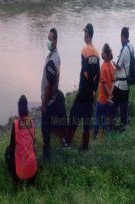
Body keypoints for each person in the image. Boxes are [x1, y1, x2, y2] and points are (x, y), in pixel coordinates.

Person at [67, 23, 100, 151]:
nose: (83, 35)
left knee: (74, 115)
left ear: (87, 34)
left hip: (83, 92)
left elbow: (86, 73)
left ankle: (68, 141)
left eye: (84, 33)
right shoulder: (97, 53)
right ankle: (85, 147)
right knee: (87, 120)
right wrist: (94, 90)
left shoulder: (84, 50)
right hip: (90, 93)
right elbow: (98, 74)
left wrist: (89, 87)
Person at [41, 28, 68, 161]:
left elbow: (48, 86)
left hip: (49, 101)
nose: (48, 41)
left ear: (56, 40)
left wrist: (44, 104)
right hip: (53, 98)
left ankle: (46, 156)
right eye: (48, 38)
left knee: (45, 129)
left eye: (50, 39)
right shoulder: (54, 55)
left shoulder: (53, 60)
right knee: (52, 126)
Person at [5, 95, 37, 182]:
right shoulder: (31, 122)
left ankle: (12, 173)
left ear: (19, 108)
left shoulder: (15, 124)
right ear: (26, 107)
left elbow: (12, 145)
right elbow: (33, 141)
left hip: (20, 174)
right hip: (33, 172)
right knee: (33, 148)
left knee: (8, 149)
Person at [110, 27, 134, 132]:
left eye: (120, 37)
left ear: (123, 36)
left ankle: (111, 126)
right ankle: (123, 126)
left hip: (120, 83)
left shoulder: (124, 49)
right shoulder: (131, 47)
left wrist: (114, 64)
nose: (120, 39)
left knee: (114, 105)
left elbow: (119, 65)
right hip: (127, 83)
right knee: (124, 106)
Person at [93, 43, 115, 139]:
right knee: (105, 117)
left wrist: (108, 93)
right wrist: (110, 94)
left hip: (102, 98)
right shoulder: (111, 66)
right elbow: (114, 81)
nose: (101, 53)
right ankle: (106, 134)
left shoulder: (103, 66)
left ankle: (94, 135)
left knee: (97, 117)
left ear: (105, 54)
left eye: (102, 52)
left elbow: (104, 83)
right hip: (109, 99)